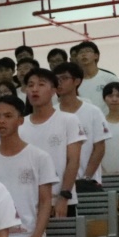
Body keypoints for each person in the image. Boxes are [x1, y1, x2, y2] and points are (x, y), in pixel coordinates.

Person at [0, 96, 56, 237]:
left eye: (8, 116)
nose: (1, 121)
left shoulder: (40, 157)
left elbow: (45, 202)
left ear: (21, 120)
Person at [21, 68, 86, 218]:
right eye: (30, 85)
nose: (34, 89)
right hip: (28, 203)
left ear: (54, 90)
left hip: (60, 200)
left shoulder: (68, 120)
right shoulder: (20, 124)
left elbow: (73, 161)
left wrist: (64, 196)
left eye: (41, 84)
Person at [52, 61, 110, 185]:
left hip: (88, 180)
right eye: (56, 79)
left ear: (77, 81)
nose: (59, 82)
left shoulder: (93, 111)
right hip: (58, 183)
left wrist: (86, 177)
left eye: (64, 78)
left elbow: (99, 148)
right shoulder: (52, 113)